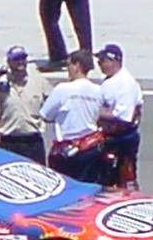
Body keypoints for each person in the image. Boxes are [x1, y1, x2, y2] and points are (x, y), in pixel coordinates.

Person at [39, 49, 104, 182]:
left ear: (77, 66)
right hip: (91, 147)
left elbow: (45, 115)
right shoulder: (98, 90)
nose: (67, 69)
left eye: (69, 65)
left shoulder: (63, 89)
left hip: (67, 150)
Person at [0, 45, 51, 165]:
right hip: (9, 142)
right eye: (16, 59)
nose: (20, 62)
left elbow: (53, 102)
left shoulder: (38, 80)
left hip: (33, 141)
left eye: (23, 58)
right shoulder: (0, 85)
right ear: (9, 62)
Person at [95, 42, 143, 189]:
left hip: (122, 139)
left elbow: (123, 116)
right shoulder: (111, 80)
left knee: (125, 178)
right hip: (109, 137)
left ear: (114, 61)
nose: (99, 64)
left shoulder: (125, 84)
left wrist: (95, 112)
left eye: (102, 61)